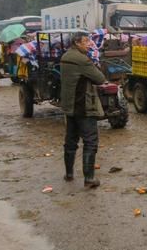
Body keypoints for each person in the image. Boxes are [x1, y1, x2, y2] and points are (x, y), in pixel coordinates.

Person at [60, 32, 107, 188]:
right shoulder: (82, 60)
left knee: (70, 141)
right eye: (86, 42)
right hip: (83, 106)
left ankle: (69, 174)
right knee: (90, 141)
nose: (89, 44)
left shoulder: (66, 56)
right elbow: (100, 79)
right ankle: (89, 178)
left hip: (69, 106)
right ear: (77, 42)